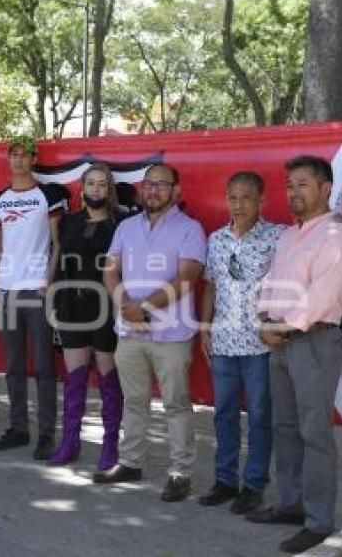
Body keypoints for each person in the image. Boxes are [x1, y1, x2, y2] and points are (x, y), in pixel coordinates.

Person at [246, 155, 342, 554]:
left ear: (326, 188)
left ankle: (319, 520)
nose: (293, 192)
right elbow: (271, 285)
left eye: (303, 184)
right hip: (280, 341)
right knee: (286, 429)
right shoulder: (290, 236)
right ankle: (291, 504)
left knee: (314, 434)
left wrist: (282, 327)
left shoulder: (335, 238)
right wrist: (264, 319)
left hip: (312, 342)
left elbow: (320, 297)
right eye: (290, 185)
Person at [97, 163, 206, 503]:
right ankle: (130, 462)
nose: (154, 190)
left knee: (175, 404)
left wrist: (143, 307)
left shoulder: (191, 228)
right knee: (134, 401)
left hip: (171, 336)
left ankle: (180, 472)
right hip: (129, 332)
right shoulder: (126, 228)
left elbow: (188, 278)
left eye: (162, 184)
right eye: (149, 184)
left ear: (176, 190)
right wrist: (126, 306)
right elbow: (110, 273)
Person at [197, 171, 284, 514]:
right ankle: (225, 480)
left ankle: (254, 485)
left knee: (261, 415)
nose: (239, 204)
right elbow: (211, 286)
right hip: (224, 342)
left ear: (262, 201)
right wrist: (205, 328)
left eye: (246, 197)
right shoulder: (216, 240)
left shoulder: (278, 237)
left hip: (261, 346)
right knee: (224, 414)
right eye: (233, 197)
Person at [0, 136, 64, 460]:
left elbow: (58, 244)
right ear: (8, 159)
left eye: (24, 155)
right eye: (13, 155)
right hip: (5, 291)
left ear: (34, 159)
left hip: (37, 290)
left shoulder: (49, 196)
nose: (18, 160)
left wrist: (49, 281)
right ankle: (18, 428)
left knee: (44, 366)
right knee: (14, 365)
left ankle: (46, 433)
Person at [49, 163, 125, 470]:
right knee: (74, 380)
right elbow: (58, 261)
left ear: (109, 190)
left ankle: (110, 446)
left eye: (102, 184)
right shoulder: (68, 222)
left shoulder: (122, 224)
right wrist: (53, 300)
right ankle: (70, 442)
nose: (96, 189)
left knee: (109, 381)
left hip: (107, 309)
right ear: (82, 188)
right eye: (91, 183)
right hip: (72, 309)